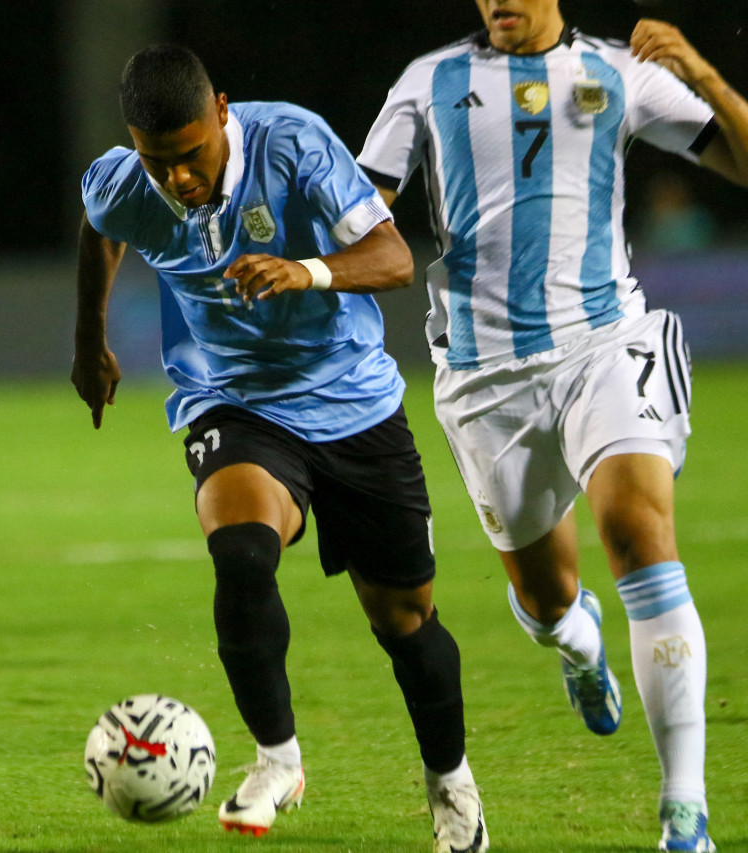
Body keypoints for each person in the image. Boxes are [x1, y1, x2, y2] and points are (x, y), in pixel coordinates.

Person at [72, 44, 489, 852]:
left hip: (354, 403)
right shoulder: (124, 181)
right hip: (235, 403)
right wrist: (89, 340)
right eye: (161, 163)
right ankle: (278, 757)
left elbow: (395, 258)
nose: (180, 179)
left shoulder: (291, 144)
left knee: (406, 620)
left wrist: (306, 271)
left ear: (222, 112)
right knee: (241, 550)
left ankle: (451, 782)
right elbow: (100, 232)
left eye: (191, 156)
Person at [358, 4, 747, 850]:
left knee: (639, 535)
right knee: (545, 599)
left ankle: (686, 815)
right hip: (485, 379)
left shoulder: (617, 73)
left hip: (603, 344)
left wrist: (703, 74)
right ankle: (578, 644)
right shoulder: (429, 84)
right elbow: (364, 215)